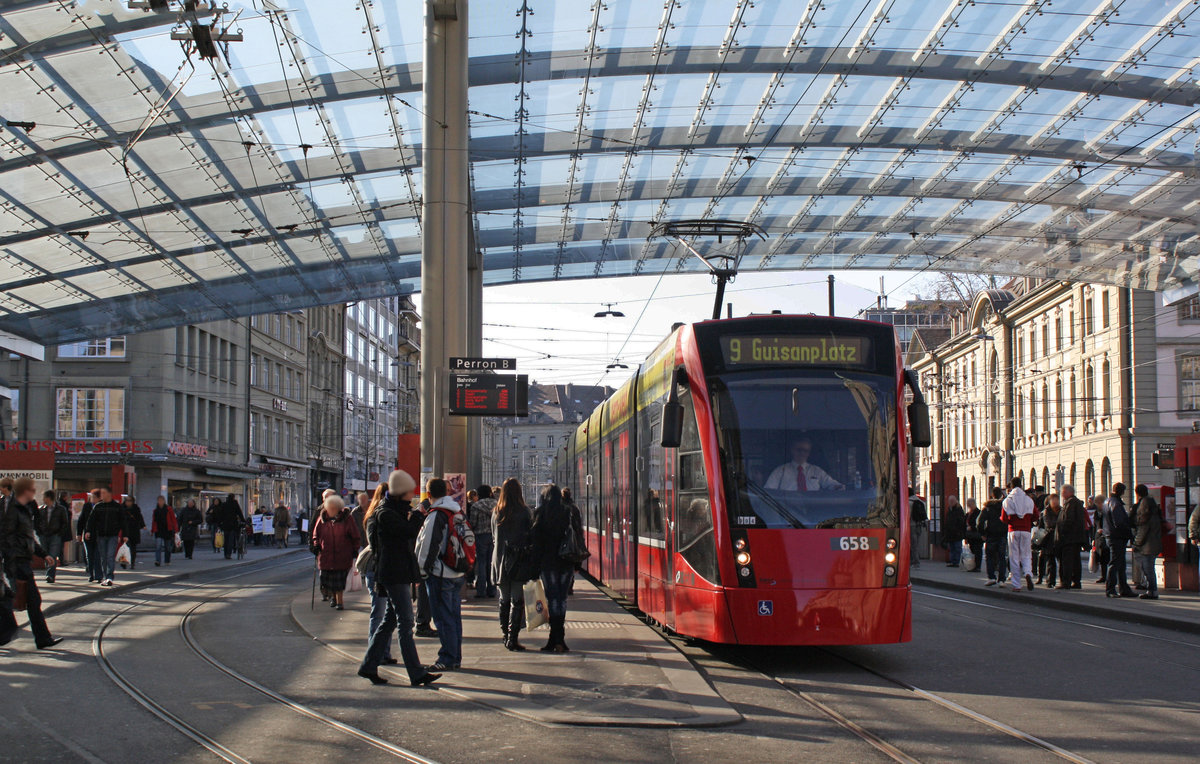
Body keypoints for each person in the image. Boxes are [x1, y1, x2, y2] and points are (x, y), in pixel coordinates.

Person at [358, 470, 439, 687]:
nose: (412, 495)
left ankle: (369, 666)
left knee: (389, 621)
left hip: (397, 571)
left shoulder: (394, 510)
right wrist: (419, 516)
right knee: (405, 622)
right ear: (401, 492)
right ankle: (416, 672)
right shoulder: (386, 514)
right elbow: (407, 532)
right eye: (409, 491)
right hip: (394, 573)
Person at [0, 477, 63, 649]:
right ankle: (40, 638)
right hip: (16, 561)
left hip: (15, 561)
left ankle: (41, 638)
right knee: (27, 600)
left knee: (24, 599)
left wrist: (43, 554)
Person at [416, 478, 469, 671]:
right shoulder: (457, 512)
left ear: (429, 494)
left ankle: (447, 658)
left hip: (440, 573)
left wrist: (422, 571)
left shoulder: (436, 515)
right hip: (456, 572)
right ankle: (455, 657)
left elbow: (428, 546)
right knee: (454, 617)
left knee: (443, 618)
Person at [530, 484, 582, 653]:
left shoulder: (540, 514)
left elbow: (536, 544)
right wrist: (577, 563)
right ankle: (559, 639)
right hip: (566, 562)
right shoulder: (568, 512)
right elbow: (577, 537)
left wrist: (534, 568)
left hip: (548, 563)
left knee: (552, 600)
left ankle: (555, 638)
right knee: (562, 600)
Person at [492, 478, 533, 651]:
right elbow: (530, 537)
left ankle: (505, 635)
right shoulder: (525, 512)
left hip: (500, 560)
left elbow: (494, 537)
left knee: (504, 600)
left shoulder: (496, 512)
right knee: (517, 601)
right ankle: (512, 638)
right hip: (518, 561)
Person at [360, 484, 395, 665]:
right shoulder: (379, 515)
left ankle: (383, 652)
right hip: (377, 568)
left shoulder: (371, 514)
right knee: (380, 612)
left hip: (376, 568)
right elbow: (377, 545)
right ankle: (377, 653)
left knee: (383, 612)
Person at [310, 494, 360, 611]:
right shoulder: (322, 519)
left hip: (342, 555)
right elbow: (316, 534)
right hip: (326, 555)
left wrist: (355, 549)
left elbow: (355, 535)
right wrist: (316, 545)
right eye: (329, 508)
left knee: (339, 581)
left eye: (333, 508)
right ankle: (333, 597)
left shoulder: (347, 519)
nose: (331, 510)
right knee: (327, 579)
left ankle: (339, 602)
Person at [764, 438, 844, 491]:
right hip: (786, 510)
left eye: (806, 451)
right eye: (799, 450)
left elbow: (832, 484)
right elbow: (769, 491)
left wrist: (838, 487)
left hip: (813, 509)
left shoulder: (817, 471)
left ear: (809, 453)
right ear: (792, 450)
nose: (802, 453)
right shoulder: (780, 471)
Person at [1001, 477, 1037, 592]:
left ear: (1011, 486)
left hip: (1013, 530)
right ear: (1021, 485)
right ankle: (1028, 573)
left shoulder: (1007, 500)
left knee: (1014, 557)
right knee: (1026, 554)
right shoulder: (1028, 499)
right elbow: (1036, 515)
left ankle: (1016, 584)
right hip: (1026, 530)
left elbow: (1004, 518)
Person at [86, 487, 125, 587]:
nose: (102, 495)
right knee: (103, 557)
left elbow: (123, 521)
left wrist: (125, 535)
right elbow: (91, 520)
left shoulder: (117, 507)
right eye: (101, 493)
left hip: (113, 535)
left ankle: (109, 577)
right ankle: (105, 576)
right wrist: (88, 531)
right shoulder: (98, 506)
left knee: (110, 556)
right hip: (101, 535)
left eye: (104, 493)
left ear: (109, 494)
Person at [1101, 483, 1135, 598]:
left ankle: (1123, 588)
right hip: (1117, 536)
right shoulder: (1115, 503)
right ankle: (1111, 589)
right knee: (1115, 563)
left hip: (1111, 535)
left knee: (1120, 563)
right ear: (1121, 491)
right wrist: (1129, 533)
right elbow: (1119, 522)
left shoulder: (1107, 501)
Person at [1055, 485, 1089, 590]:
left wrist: (1062, 533)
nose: (1061, 495)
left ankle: (1066, 582)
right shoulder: (1075, 503)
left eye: (1063, 492)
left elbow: (1068, 520)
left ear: (1068, 492)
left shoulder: (1071, 503)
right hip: (1075, 538)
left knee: (1067, 561)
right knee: (1075, 560)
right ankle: (1076, 581)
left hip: (1069, 538)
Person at [1132, 485, 1162, 600]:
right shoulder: (1155, 511)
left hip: (1147, 545)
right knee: (1149, 568)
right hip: (1154, 543)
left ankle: (1152, 591)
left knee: (1148, 568)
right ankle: (1152, 591)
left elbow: (1142, 531)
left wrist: (1136, 543)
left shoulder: (1146, 518)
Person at [470, 484, 498, 599]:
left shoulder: (476, 506)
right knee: (491, 562)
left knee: (481, 563)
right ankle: (492, 590)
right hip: (494, 536)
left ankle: (481, 591)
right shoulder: (497, 504)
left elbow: (472, 523)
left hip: (480, 535)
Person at [38, 490, 69, 584]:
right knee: (46, 555)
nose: (43, 499)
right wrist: (39, 532)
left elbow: (65, 522)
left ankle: (50, 575)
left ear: (49, 498)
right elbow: (36, 521)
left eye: (44, 497)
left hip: (55, 535)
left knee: (53, 554)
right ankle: (49, 571)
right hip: (43, 535)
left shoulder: (60, 509)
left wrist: (60, 533)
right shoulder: (41, 509)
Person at [979, 487, 1009, 586]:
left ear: (992, 495)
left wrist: (982, 533)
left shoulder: (988, 507)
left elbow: (980, 522)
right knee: (1002, 557)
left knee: (990, 557)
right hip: (1002, 534)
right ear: (1001, 495)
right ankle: (1002, 579)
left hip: (991, 534)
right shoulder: (1004, 506)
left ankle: (991, 577)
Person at [1037, 493, 1061, 588]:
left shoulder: (1061, 510)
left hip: (1059, 538)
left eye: (1057, 500)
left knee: (1059, 560)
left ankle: (1060, 580)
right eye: (1053, 500)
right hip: (1048, 538)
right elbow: (1047, 525)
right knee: (1049, 560)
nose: (1055, 502)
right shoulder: (1046, 512)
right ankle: (1049, 581)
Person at [78, 490, 100, 582]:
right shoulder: (87, 506)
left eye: (94, 497)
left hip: (99, 535)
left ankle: (98, 575)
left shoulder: (102, 506)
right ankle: (91, 574)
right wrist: (79, 533)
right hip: (87, 534)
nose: (92, 499)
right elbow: (81, 520)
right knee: (89, 556)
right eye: (91, 497)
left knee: (97, 556)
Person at [217, 494, 245, 561]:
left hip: (225, 524)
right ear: (233, 498)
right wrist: (244, 521)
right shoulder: (235, 504)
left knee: (226, 540)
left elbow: (220, 514)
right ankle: (228, 554)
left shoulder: (224, 504)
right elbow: (239, 513)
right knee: (231, 540)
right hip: (233, 524)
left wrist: (219, 523)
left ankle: (225, 553)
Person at [151, 496, 177, 567]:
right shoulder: (156, 510)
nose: (160, 502)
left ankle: (167, 560)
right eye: (159, 500)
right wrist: (152, 530)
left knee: (167, 547)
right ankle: (158, 560)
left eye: (161, 500)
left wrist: (175, 529)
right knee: (158, 546)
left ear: (164, 501)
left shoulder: (168, 509)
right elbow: (154, 521)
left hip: (167, 530)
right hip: (158, 530)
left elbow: (173, 519)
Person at [121, 495, 145, 570]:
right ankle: (124, 562)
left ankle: (132, 563)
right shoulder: (122, 508)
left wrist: (143, 525)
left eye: (130, 501)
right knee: (125, 547)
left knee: (133, 548)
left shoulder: (136, 509)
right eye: (127, 500)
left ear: (132, 502)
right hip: (125, 530)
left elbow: (140, 517)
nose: (128, 502)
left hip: (134, 530)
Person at [943, 495, 966, 567]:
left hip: (957, 533)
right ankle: (953, 561)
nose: (951, 502)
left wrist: (958, 530)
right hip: (950, 533)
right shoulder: (949, 510)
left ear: (956, 501)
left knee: (957, 547)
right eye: (950, 501)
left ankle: (957, 561)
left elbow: (961, 522)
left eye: (952, 501)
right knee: (952, 548)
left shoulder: (959, 510)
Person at [909, 488, 927, 568]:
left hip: (911, 525)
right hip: (919, 525)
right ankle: (915, 561)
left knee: (912, 545)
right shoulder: (920, 502)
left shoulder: (908, 502)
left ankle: (915, 562)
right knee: (916, 544)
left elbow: (908, 515)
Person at [964, 498, 982, 572]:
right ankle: (972, 565)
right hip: (970, 536)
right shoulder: (968, 514)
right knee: (972, 551)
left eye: (970, 505)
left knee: (978, 551)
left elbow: (980, 524)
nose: (969, 506)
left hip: (977, 535)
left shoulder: (979, 513)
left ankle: (977, 566)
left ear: (973, 504)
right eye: (968, 505)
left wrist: (972, 527)